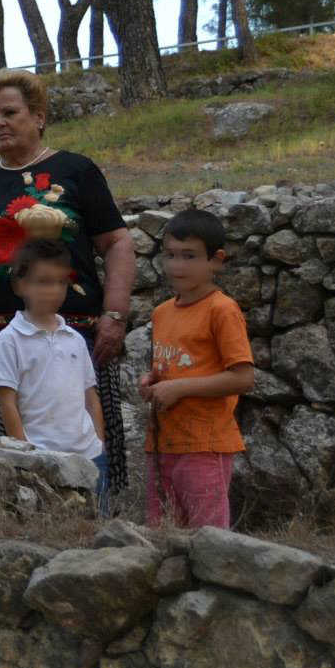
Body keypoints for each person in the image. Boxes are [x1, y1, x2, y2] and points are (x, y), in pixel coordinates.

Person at [0, 68, 136, 489]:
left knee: (77, 447)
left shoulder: (75, 170)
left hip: (69, 336)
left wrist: (116, 314)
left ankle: (92, 517)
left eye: (9, 112)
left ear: (38, 116)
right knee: (4, 465)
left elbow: (118, 244)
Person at [140, 209, 255, 530]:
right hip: (162, 442)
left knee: (207, 538)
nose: (177, 265)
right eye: (171, 255)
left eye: (189, 256)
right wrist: (152, 381)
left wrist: (180, 389)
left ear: (216, 261)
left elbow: (244, 378)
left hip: (205, 445)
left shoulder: (222, 310)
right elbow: (174, 368)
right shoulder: (162, 312)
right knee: (161, 534)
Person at [0, 239, 108, 504]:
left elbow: (90, 397)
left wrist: (99, 441)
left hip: (89, 455)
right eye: (43, 282)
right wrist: (26, 455)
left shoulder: (75, 338)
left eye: (61, 282)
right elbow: (8, 403)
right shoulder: (10, 339)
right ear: (20, 285)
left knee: (97, 527)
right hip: (44, 458)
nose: (54, 290)